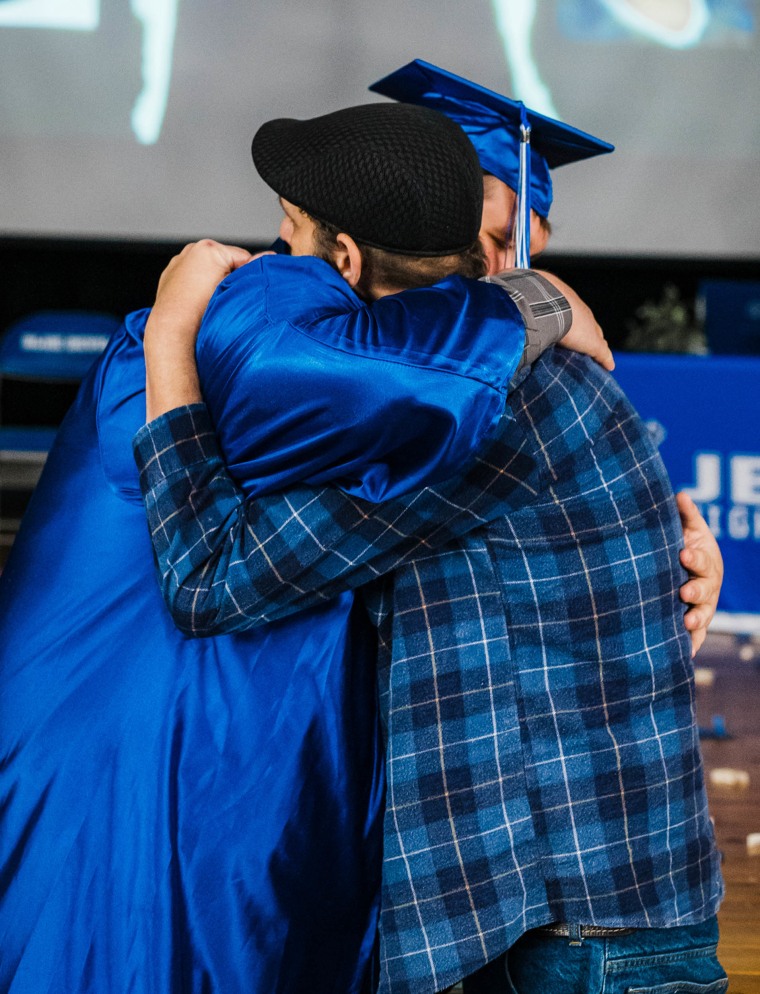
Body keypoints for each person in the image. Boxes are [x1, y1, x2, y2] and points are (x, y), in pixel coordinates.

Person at [133, 65, 726, 994]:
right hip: (560, 928)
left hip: (574, 943)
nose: (270, 266)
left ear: (346, 264)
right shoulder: (471, 382)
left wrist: (167, 342)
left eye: (288, 240)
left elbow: (211, 580)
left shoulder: (465, 416)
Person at [0, 101, 608, 994]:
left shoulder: (360, 352)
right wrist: (532, 305)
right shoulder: (254, 312)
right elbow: (366, 381)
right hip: (133, 767)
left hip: (241, 772)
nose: (268, 249)